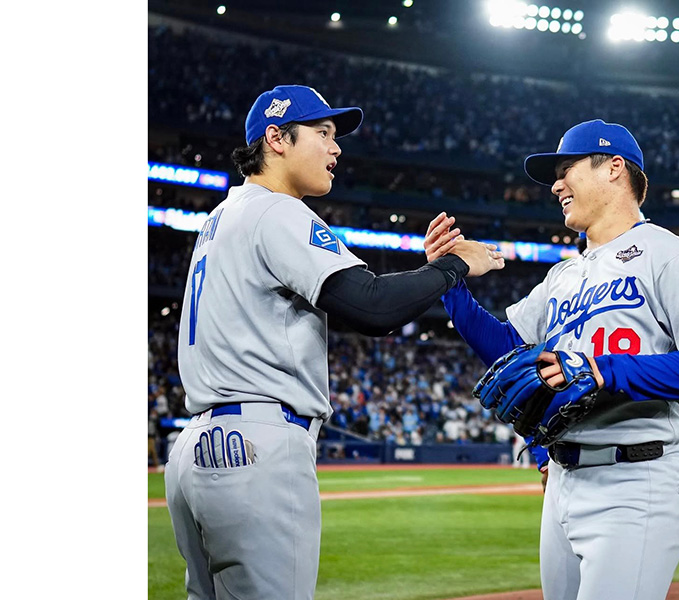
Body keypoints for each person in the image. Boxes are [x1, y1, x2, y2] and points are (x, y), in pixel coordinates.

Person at [164, 84, 504, 600]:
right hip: (258, 445)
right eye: (322, 133)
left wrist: (428, 273)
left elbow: (343, 307)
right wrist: (456, 267)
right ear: (276, 139)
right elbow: (372, 307)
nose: (336, 147)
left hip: (196, 449)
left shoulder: (220, 218)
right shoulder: (277, 211)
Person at [425, 118, 679, 600]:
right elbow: (508, 348)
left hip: (635, 482)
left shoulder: (673, 256)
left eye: (567, 168)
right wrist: (449, 280)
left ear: (614, 168)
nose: (556, 183)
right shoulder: (561, 276)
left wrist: (603, 370)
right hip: (561, 480)